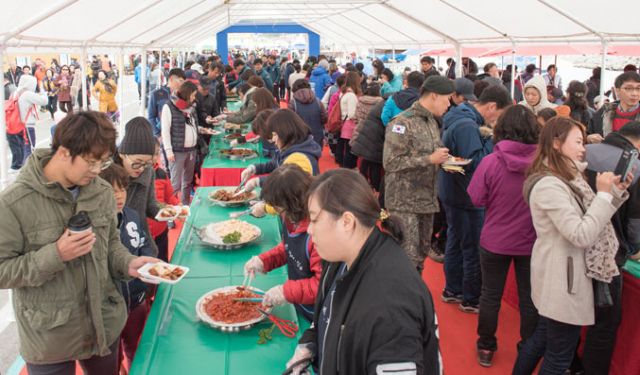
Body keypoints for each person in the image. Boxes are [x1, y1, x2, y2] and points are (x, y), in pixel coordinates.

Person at [0, 111, 158, 374]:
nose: (97, 171)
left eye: (104, 163)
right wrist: (56, 254)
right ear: (63, 152)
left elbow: (111, 245)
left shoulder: (101, 190)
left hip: (103, 324)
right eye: (91, 162)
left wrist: (130, 263)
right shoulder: (13, 203)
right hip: (49, 337)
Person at [285, 169, 442, 374]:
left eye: (314, 220)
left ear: (346, 222)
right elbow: (329, 314)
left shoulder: (390, 307)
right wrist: (311, 342)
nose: (309, 229)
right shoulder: (341, 257)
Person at [513, 117, 632, 374]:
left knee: (542, 341)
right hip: (564, 280)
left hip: (563, 277)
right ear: (556, 144)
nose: (583, 148)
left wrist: (614, 193)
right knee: (558, 357)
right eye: (578, 142)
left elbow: (593, 219)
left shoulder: (567, 177)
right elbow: (581, 234)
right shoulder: (550, 183)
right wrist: (602, 195)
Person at [467, 105, 541, 367]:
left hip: (495, 239)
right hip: (531, 242)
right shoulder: (543, 165)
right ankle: (528, 348)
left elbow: (476, 198)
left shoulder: (490, 162)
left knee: (490, 295)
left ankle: (486, 346)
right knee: (530, 298)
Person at [439, 84, 512, 313]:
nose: (495, 120)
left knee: (457, 241)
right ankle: (470, 298)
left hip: (453, 191)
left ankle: (453, 290)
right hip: (465, 195)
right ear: (491, 106)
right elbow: (475, 164)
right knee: (472, 249)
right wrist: (491, 139)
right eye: (498, 115)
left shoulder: (458, 117)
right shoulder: (469, 125)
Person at [576, 121, 640, 374]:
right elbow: (634, 221)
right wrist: (634, 247)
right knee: (605, 321)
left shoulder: (585, 152)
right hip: (609, 250)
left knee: (572, 316)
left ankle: (570, 363)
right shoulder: (633, 164)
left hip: (577, 242)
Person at [383, 76, 456, 274]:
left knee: (421, 254)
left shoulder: (431, 122)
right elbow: (390, 162)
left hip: (426, 201)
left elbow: (434, 153)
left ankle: (415, 300)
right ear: (434, 95)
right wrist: (429, 159)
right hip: (404, 203)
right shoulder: (401, 123)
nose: (449, 104)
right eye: (447, 98)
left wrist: (445, 161)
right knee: (406, 259)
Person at [243, 164, 321, 322]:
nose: (276, 210)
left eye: (277, 206)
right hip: (299, 301)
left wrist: (285, 292)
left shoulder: (318, 234)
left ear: (292, 204)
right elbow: (289, 247)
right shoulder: (291, 217)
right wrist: (264, 261)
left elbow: (321, 285)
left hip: (317, 313)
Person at [99, 164, 153, 372]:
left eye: (122, 189)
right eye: (113, 192)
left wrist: (149, 262)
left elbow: (143, 244)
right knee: (112, 357)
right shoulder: (96, 225)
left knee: (135, 348)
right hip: (109, 307)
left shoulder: (132, 215)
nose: (119, 196)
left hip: (136, 299)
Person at [240, 109, 323, 217]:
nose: (273, 139)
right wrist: (254, 169)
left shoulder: (298, 159)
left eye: (275, 134)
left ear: (285, 132)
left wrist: (265, 206)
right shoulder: (289, 148)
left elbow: (288, 194)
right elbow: (275, 163)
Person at [161, 81, 203, 205]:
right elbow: (165, 130)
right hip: (177, 151)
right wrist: (169, 151)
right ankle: (170, 214)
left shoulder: (192, 107)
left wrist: (201, 130)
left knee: (187, 181)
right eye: (192, 95)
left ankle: (185, 205)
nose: (193, 98)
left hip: (192, 149)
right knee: (175, 184)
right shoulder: (169, 106)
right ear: (186, 94)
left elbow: (192, 126)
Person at [587, 71, 640, 143]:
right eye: (628, 88)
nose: (635, 93)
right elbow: (589, 132)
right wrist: (589, 138)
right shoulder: (604, 112)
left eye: (638, 88)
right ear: (618, 91)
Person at [15, 75, 48, 163]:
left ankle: (23, 167)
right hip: (27, 125)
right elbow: (44, 101)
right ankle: (27, 170)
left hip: (17, 124)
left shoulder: (16, 92)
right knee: (29, 149)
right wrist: (43, 91)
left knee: (23, 149)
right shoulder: (27, 94)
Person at [288, 79, 328, 149]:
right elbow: (324, 118)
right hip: (316, 135)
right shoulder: (318, 101)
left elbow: (289, 122)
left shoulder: (293, 103)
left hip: (299, 137)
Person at [336, 71, 361, 169]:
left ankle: (346, 168)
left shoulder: (344, 93)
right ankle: (348, 169)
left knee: (347, 149)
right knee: (350, 150)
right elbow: (351, 114)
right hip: (350, 124)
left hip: (344, 123)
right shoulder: (351, 95)